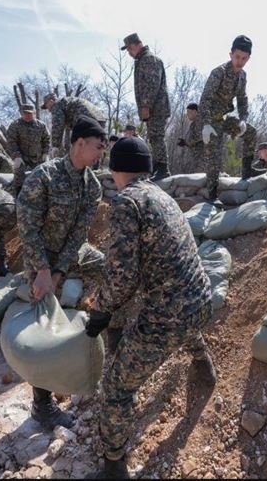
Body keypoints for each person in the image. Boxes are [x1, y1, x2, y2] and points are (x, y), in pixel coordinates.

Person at [84, 136, 217, 479]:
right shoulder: (162, 195)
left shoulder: (127, 202)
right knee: (182, 317)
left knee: (116, 389)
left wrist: (99, 309)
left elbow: (121, 277)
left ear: (115, 170)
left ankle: (113, 468)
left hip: (168, 319)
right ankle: (203, 366)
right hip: (202, 302)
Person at [17, 118, 108, 432]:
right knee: (44, 318)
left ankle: (109, 341)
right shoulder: (44, 176)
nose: (101, 154)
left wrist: (59, 271)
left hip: (68, 254)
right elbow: (28, 229)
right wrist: (43, 272)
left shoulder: (93, 185)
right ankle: (42, 406)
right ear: (80, 142)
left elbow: (79, 235)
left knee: (111, 271)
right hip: (38, 255)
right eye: (98, 147)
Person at [199, 35, 259, 201]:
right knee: (215, 155)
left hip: (224, 119)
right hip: (209, 121)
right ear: (230, 54)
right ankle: (212, 195)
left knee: (251, 132)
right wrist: (205, 124)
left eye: (244, 58)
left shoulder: (242, 76)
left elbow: (242, 99)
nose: (240, 61)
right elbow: (205, 100)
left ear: (248, 58)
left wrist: (243, 119)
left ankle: (247, 171)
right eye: (237, 57)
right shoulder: (219, 73)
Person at [122, 33, 171, 181]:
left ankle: (163, 168)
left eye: (131, 48)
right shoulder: (142, 60)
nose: (130, 53)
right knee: (153, 137)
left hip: (156, 107)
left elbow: (151, 84)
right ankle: (158, 165)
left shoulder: (149, 59)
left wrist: (145, 106)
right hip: (153, 108)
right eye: (128, 50)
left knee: (157, 136)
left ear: (139, 44)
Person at [5, 103, 51, 195]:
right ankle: (18, 197)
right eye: (25, 113)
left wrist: (45, 153)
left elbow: (47, 140)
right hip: (22, 158)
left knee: (45, 177)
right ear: (21, 113)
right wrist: (16, 156)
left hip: (38, 158)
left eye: (30, 113)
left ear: (34, 113)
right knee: (19, 179)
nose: (28, 115)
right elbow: (11, 142)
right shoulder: (15, 125)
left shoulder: (41, 125)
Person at [176, 103, 205, 173]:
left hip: (204, 157)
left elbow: (201, 137)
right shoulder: (193, 124)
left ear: (195, 112)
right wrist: (185, 143)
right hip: (196, 157)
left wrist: (187, 142)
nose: (187, 114)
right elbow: (194, 143)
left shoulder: (201, 122)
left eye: (189, 112)